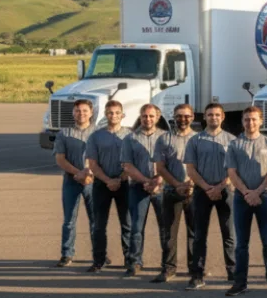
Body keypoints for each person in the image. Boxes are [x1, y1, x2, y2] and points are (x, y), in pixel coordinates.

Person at [225, 106, 267, 296]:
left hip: (265, 197)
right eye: (247, 119)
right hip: (241, 198)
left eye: (254, 119)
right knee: (241, 243)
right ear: (242, 121)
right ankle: (240, 282)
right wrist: (247, 192)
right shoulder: (234, 145)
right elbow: (232, 172)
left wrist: (257, 192)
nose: (251, 123)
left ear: (261, 121)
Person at [183, 103, 236, 290]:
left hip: (226, 191)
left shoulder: (232, 140)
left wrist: (220, 186)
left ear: (222, 117)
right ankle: (197, 274)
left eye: (217, 115)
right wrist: (207, 188)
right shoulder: (195, 141)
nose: (213, 117)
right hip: (201, 192)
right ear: (204, 117)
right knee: (199, 235)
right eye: (210, 114)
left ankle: (233, 271)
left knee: (229, 233)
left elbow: (234, 170)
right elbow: (190, 169)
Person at [152, 103, 199, 284]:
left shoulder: (198, 139)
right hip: (172, 191)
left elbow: (200, 166)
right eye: (179, 116)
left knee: (195, 233)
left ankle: (195, 269)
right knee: (169, 233)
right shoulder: (164, 139)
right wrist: (177, 184)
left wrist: (192, 183)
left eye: (186, 116)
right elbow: (160, 167)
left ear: (192, 117)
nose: (183, 119)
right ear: (174, 117)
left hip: (194, 192)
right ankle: (169, 269)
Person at [85, 100, 131, 274]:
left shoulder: (130, 135)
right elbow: (93, 164)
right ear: (105, 114)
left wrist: (119, 179)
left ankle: (130, 259)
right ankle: (99, 260)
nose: (113, 116)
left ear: (122, 114)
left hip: (125, 184)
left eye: (117, 112)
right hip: (101, 184)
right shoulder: (95, 137)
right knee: (99, 225)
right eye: (110, 113)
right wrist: (107, 180)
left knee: (127, 223)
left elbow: (132, 163)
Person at [120, 104, 166, 278]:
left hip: (161, 187)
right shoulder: (130, 139)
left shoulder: (165, 137)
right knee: (136, 228)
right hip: (138, 187)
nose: (148, 119)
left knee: (165, 227)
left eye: (151, 116)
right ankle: (134, 262)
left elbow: (170, 164)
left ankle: (166, 262)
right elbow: (127, 165)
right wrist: (147, 181)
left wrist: (158, 180)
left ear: (158, 116)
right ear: (140, 116)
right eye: (145, 116)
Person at [51, 98, 95, 267]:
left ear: (91, 112)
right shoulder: (64, 133)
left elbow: (101, 159)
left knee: (95, 220)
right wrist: (79, 173)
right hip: (71, 181)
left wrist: (89, 174)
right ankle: (67, 254)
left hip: (93, 181)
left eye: (84, 110)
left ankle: (99, 254)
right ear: (73, 113)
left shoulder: (98, 133)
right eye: (78, 111)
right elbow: (60, 160)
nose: (81, 114)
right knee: (69, 220)